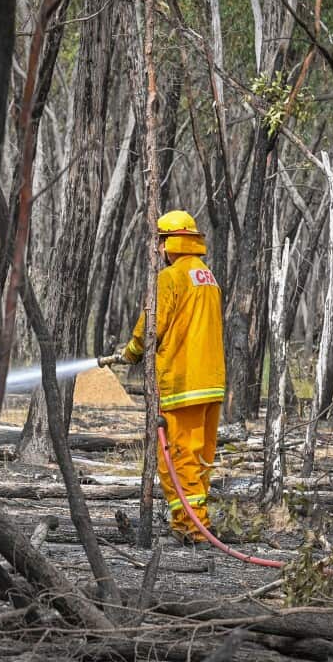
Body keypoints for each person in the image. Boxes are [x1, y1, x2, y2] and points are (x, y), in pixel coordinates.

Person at [116, 210, 226, 544]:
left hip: (182, 383)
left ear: (168, 242)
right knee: (200, 458)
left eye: (160, 241)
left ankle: (191, 528)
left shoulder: (171, 277)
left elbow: (153, 323)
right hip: (211, 383)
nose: (158, 248)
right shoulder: (206, 276)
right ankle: (197, 521)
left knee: (176, 459)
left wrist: (131, 351)